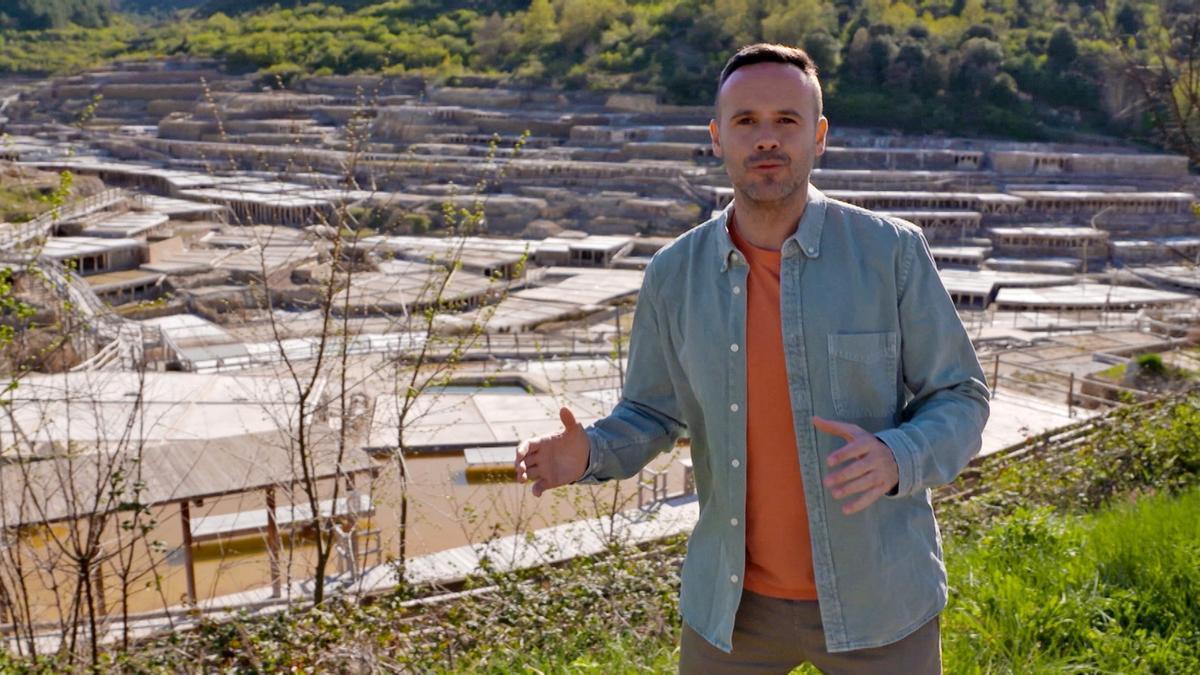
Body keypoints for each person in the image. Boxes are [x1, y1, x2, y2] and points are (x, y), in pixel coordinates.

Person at [514, 43, 991, 674]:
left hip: (879, 597)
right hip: (732, 607)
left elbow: (960, 397)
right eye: (746, 121)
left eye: (786, 121)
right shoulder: (673, 274)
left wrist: (896, 456)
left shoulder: (891, 253)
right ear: (718, 137)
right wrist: (592, 453)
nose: (766, 139)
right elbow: (654, 414)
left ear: (818, 136)